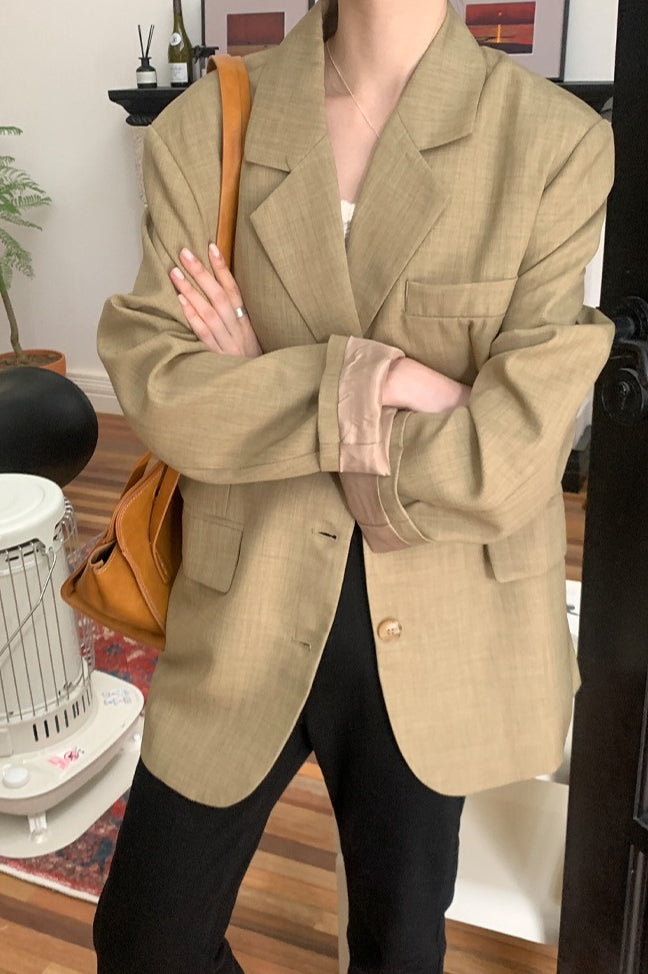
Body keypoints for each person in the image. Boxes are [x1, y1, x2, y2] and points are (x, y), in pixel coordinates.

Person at [93, 0, 615, 971]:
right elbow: (165, 392)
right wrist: (393, 381)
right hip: (243, 601)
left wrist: (261, 373)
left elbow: (507, 461)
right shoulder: (207, 127)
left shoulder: (552, 143)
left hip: (440, 615)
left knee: (398, 948)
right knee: (143, 940)